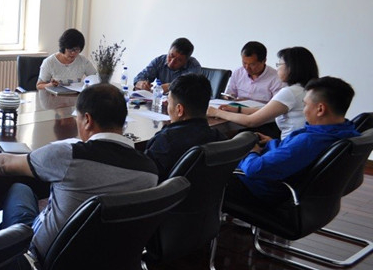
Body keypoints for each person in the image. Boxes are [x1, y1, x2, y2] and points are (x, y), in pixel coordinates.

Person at [0, 84, 158, 261]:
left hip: (48, 260)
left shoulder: (68, 155)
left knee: (19, 189)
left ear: (87, 120)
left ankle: (4, 261)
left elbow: (4, 163)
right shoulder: (150, 171)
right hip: (110, 261)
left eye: (77, 117)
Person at [227, 76, 359, 203]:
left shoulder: (309, 141)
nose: (304, 110)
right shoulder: (347, 132)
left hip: (262, 189)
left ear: (320, 109)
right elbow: (293, 154)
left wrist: (251, 151)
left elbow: (254, 169)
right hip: (291, 187)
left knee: (215, 168)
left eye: (305, 105)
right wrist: (272, 143)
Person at [208, 46, 319, 139]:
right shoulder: (309, 89)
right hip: (294, 142)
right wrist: (238, 109)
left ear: (291, 68)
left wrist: (216, 112)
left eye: (279, 65)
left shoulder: (290, 93)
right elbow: (269, 110)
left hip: (288, 146)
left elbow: (250, 121)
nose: (278, 69)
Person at [144, 74, 225, 179]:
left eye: (169, 102)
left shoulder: (165, 141)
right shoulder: (218, 137)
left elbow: (145, 177)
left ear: (179, 110)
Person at [134, 37, 202, 92]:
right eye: (171, 55)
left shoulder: (194, 66)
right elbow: (140, 77)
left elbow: (191, 88)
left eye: (179, 60)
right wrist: (141, 83)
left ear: (186, 61)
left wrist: (170, 86)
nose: (172, 62)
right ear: (169, 50)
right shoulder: (159, 61)